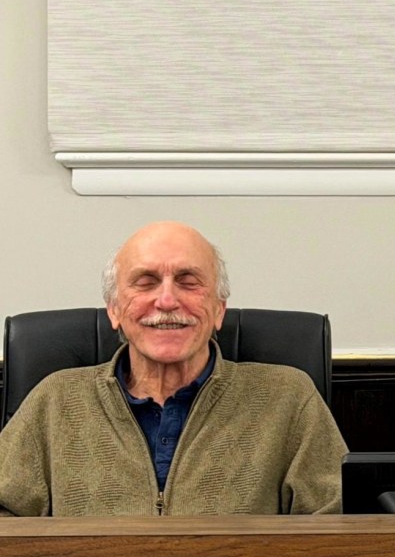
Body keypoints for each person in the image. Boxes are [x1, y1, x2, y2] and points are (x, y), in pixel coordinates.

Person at [0, 221, 348, 515]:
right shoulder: (56, 399)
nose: (167, 300)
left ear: (219, 309)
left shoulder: (288, 397)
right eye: (145, 282)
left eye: (188, 281)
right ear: (114, 310)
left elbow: (341, 529)